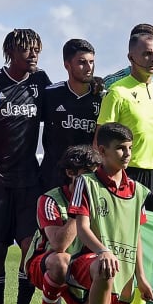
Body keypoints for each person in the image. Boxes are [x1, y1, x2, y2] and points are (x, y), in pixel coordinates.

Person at [31, 123, 153, 304]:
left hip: (125, 270)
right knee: (98, 266)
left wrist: (141, 276)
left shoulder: (138, 190)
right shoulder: (85, 183)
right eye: (120, 148)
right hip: (88, 261)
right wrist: (102, 251)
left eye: (130, 148)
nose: (127, 154)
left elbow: (135, 234)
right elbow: (81, 229)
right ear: (102, 151)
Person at [97, 23, 153, 304]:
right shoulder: (117, 92)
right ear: (130, 55)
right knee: (128, 249)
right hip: (129, 176)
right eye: (146, 52)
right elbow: (100, 140)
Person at [0, 29, 51, 304]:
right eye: (26, 50)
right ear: (11, 51)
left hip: (28, 180)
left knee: (29, 248)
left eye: (36, 50)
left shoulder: (41, 83)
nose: (33, 55)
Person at [24, 145, 101, 304]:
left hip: (82, 266)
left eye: (96, 174)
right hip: (46, 263)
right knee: (60, 260)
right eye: (89, 174)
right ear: (70, 172)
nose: (95, 180)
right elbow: (59, 244)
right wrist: (79, 206)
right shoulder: (49, 199)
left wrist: (92, 301)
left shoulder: (102, 200)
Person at [39, 39, 101, 192]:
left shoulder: (102, 97)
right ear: (67, 65)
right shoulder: (50, 94)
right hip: (53, 176)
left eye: (91, 62)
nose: (89, 68)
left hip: (88, 177)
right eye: (82, 62)